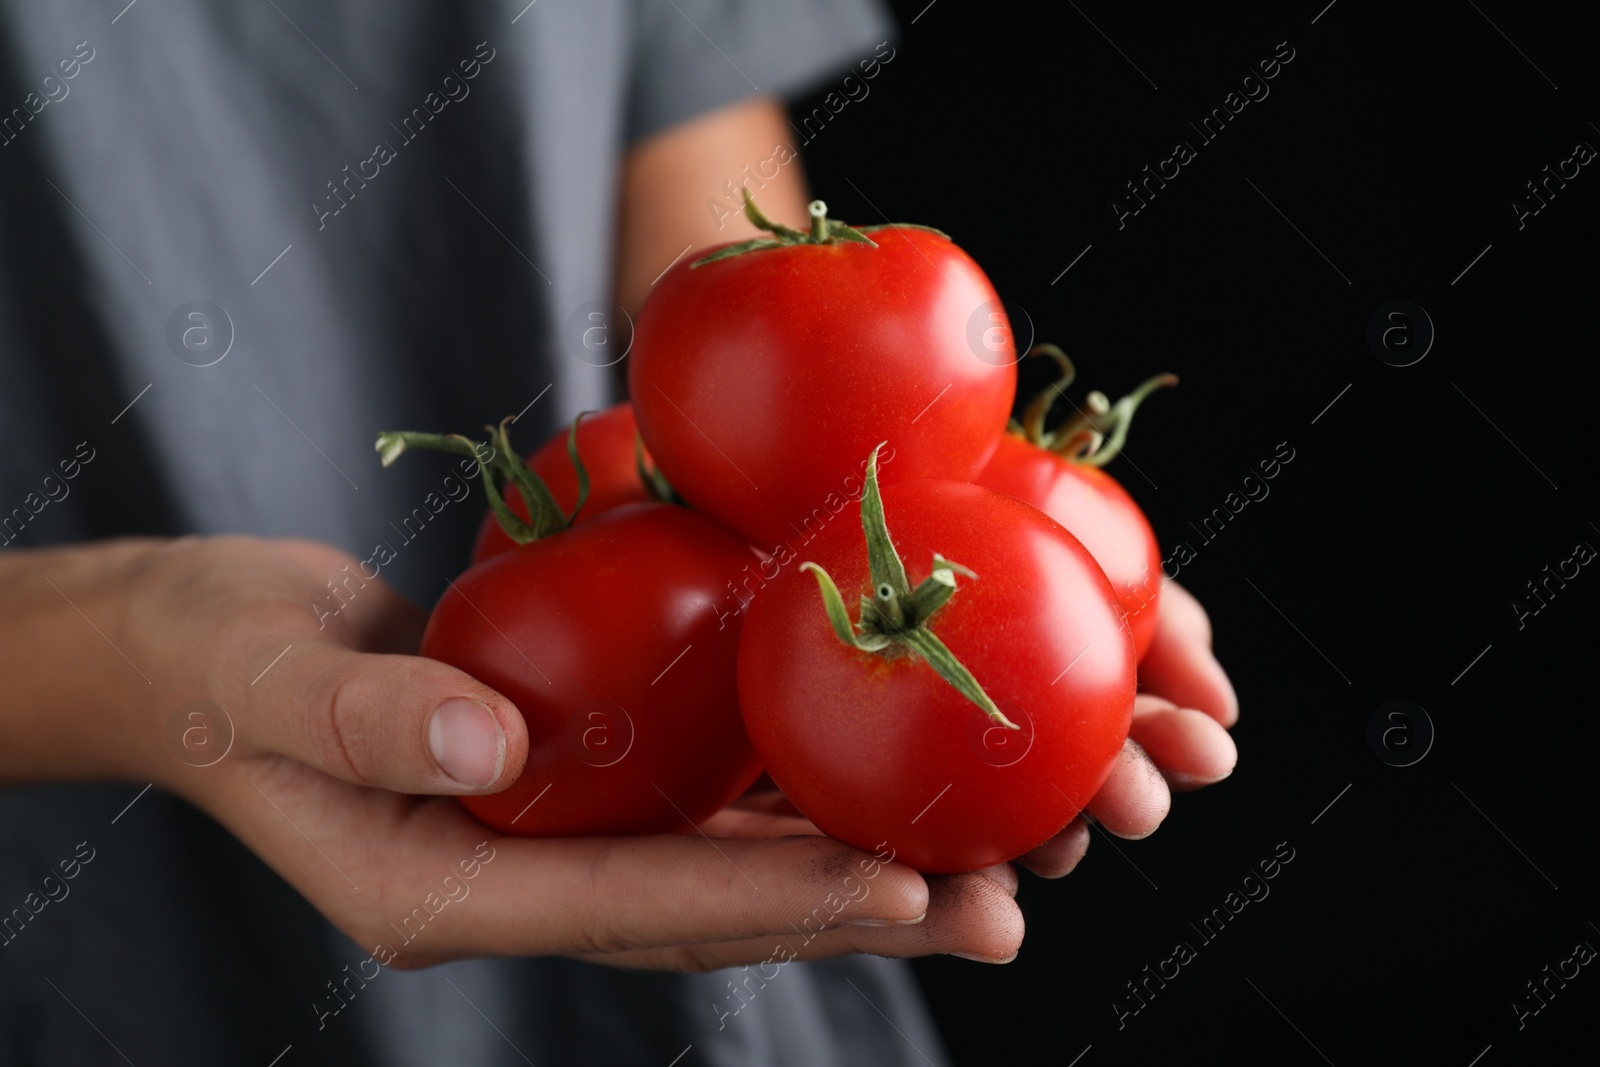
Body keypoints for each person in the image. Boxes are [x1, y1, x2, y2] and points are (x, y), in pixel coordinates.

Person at [0, 2, 1238, 1063]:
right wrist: (136, 649)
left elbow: (726, 236)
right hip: (125, 942)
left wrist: (921, 497)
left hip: (722, 921)